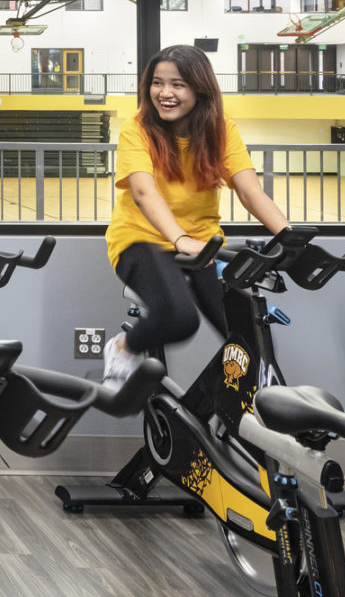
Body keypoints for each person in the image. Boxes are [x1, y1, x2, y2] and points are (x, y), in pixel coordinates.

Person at [100, 44, 290, 387]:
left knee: (248, 335)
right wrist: (179, 238)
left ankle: (228, 414)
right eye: (158, 83)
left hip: (202, 245)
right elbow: (144, 192)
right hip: (142, 240)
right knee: (178, 318)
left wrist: (289, 238)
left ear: (199, 89)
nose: (165, 93)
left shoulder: (221, 130)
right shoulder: (137, 130)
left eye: (178, 84)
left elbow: (250, 191)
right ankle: (124, 346)